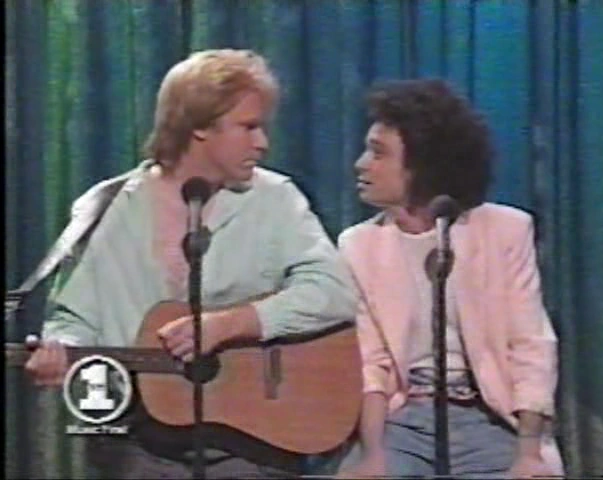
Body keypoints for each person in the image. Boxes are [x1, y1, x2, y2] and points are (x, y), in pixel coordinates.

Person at [24, 49, 358, 479]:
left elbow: (334, 291)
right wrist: (60, 350)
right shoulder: (107, 207)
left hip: (252, 442)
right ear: (199, 126)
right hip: (138, 440)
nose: (262, 143)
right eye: (248, 127)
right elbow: (74, 317)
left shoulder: (275, 200)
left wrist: (230, 325)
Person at [335, 79, 564, 478]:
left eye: (378, 153)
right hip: (402, 420)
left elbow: (531, 345)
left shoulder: (505, 231)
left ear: (422, 166)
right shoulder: (358, 245)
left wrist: (529, 454)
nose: (361, 164)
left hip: (489, 417)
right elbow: (372, 365)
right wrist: (373, 455)